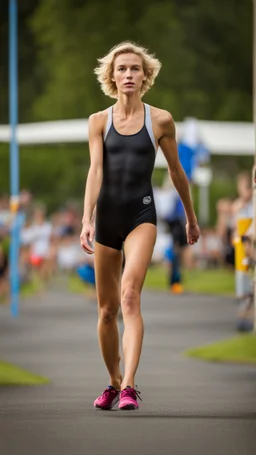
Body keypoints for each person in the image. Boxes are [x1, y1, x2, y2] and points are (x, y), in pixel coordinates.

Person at [80, 41, 200, 411]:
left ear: (145, 75)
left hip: (140, 218)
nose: (129, 74)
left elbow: (177, 171)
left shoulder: (160, 120)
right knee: (106, 311)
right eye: (122, 69)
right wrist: (87, 219)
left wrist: (190, 217)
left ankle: (130, 385)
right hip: (107, 220)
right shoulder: (98, 121)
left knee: (130, 296)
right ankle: (114, 382)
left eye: (135, 69)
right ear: (112, 77)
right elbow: (96, 170)